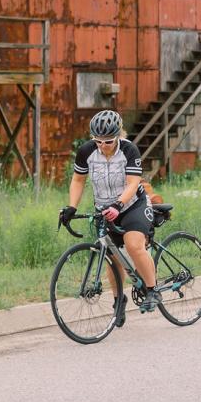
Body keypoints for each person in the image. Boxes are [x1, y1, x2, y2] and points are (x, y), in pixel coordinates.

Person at [61, 110, 159, 322]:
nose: (102, 145)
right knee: (111, 256)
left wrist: (119, 204)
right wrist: (71, 207)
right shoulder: (87, 151)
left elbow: (133, 183)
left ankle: (152, 290)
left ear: (118, 136)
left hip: (133, 205)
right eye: (97, 141)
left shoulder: (128, 150)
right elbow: (78, 180)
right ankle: (118, 299)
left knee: (133, 245)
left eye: (108, 141)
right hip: (105, 209)